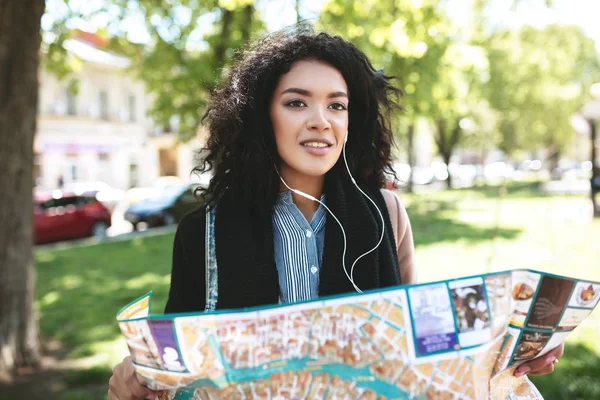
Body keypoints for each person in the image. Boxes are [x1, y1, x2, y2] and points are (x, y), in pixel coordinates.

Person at [108, 27, 562, 400]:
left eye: (337, 105)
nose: (320, 120)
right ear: (261, 116)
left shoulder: (385, 212)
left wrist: (512, 347)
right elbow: (176, 367)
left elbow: (422, 343)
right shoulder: (200, 231)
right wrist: (135, 376)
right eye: (296, 102)